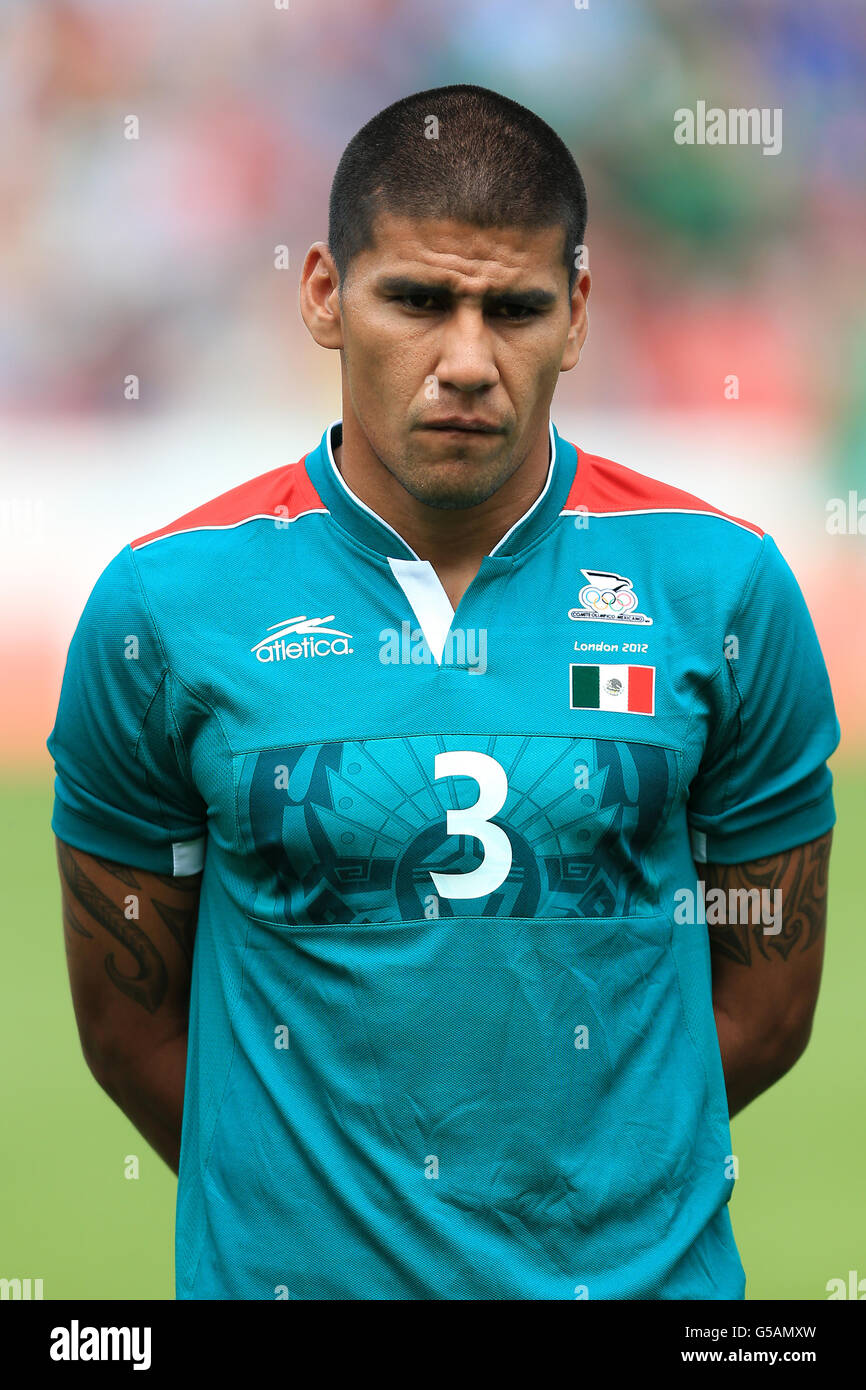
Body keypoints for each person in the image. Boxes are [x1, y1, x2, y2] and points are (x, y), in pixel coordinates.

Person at [47, 84, 838, 1300]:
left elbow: (767, 1001)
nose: (466, 361)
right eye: (417, 299)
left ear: (574, 315)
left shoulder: (720, 588)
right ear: (323, 293)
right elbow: (129, 1025)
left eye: (512, 309)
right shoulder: (164, 606)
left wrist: (568, 1183)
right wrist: (328, 1220)